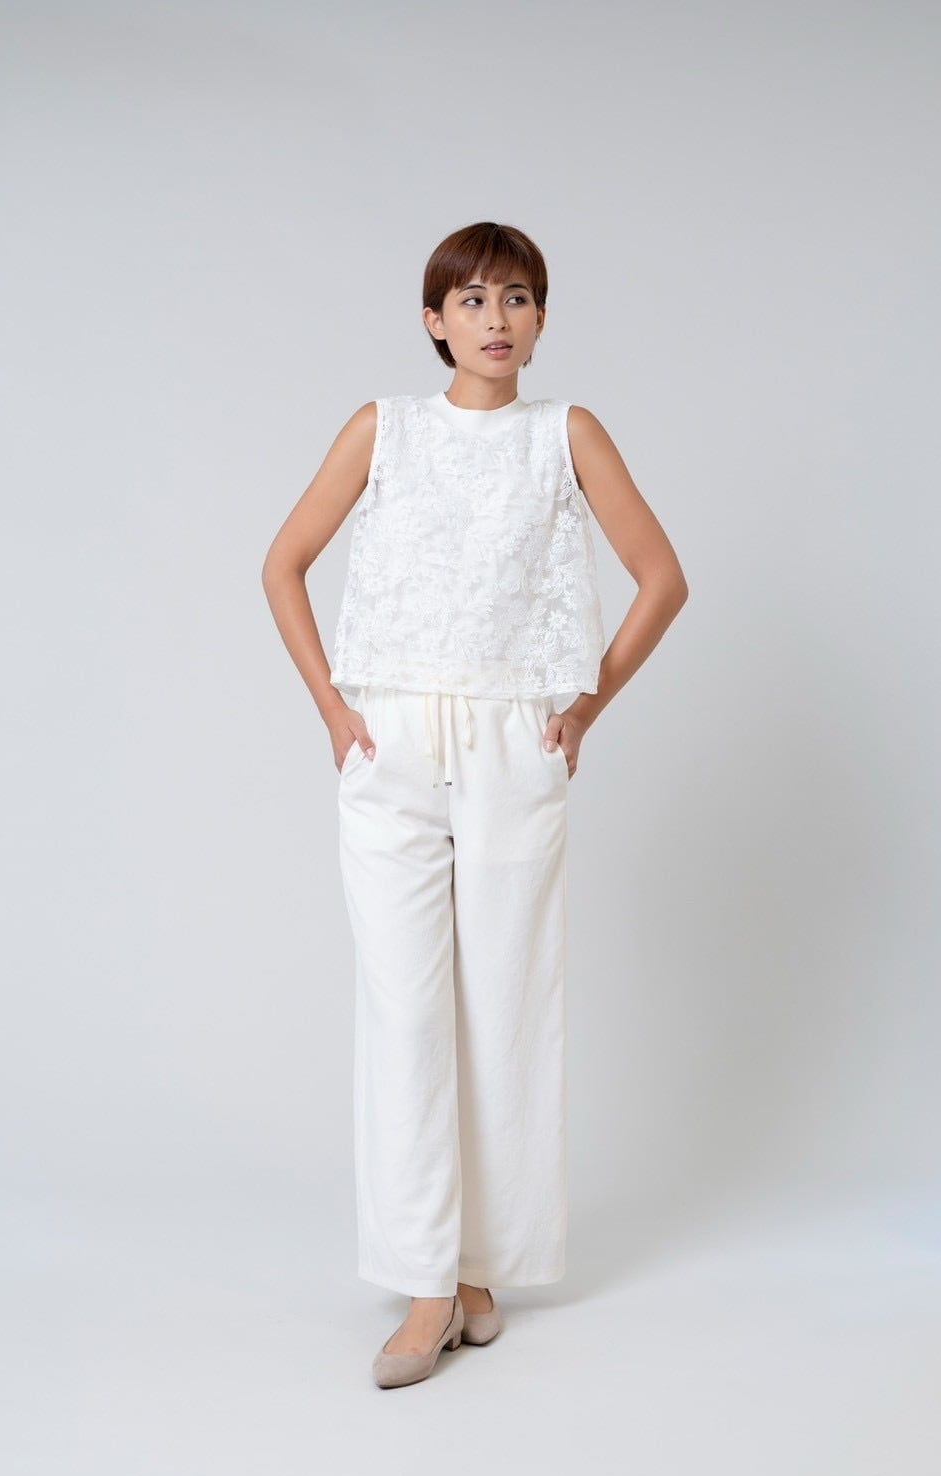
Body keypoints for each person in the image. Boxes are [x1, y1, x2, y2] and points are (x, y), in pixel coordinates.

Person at [261, 220, 688, 1388]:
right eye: (471, 299)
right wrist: (333, 708)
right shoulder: (383, 428)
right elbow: (282, 563)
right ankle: (423, 1282)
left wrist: (582, 710)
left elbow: (662, 578)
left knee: (503, 1004)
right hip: (392, 739)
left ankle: (480, 1266)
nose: (495, 318)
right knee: (404, 1011)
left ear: (541, 320)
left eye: (517, 298)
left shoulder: (566, 434)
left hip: (511, 740)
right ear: (433, 320)